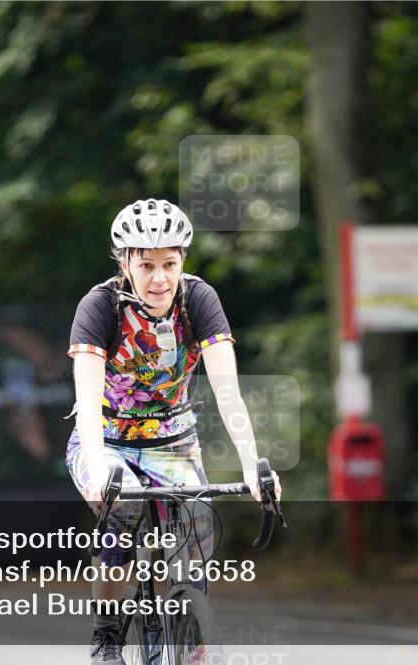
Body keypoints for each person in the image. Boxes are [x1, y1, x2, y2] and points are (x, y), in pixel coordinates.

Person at [65, 198, 282, 665]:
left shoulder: (199, 300)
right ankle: (105, 629)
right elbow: (85, 401)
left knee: (197, 530)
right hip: (105, 439)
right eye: (146, 265)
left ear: (183, 259)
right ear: (124, 262)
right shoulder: (99, 306)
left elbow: (228, 393)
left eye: (170, 263)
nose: (160, 278)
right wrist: (101, 467)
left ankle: (193, 636)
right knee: (120, 517)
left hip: (173, 440)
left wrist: (251, 465)